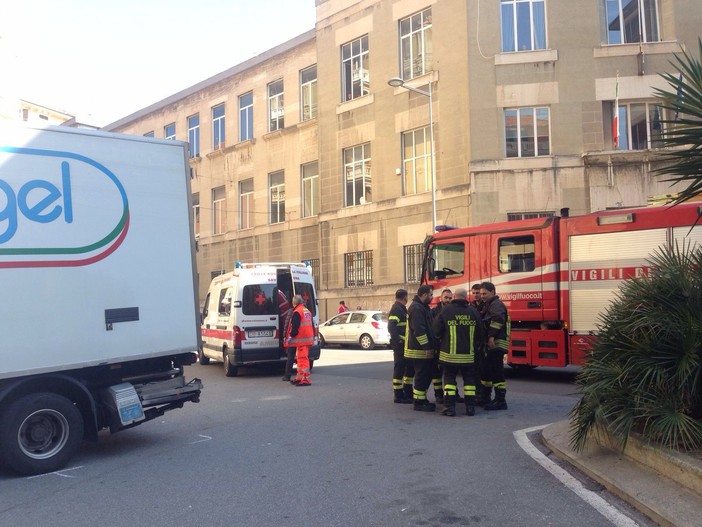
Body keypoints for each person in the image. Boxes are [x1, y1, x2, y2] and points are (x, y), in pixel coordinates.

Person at [432, 288, 484, 416]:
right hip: (468, 355)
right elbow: (481, 333)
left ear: (454, 296)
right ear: (466, 297)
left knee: (449, 380)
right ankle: (470, 408)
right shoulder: (473, 311)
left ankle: (449, 408)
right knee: (469, 382)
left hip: (449, 355)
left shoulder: (446, 311)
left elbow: (436, 331)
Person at [404, 284, 439, 412]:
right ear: (424, 295)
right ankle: (419, 402)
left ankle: (421, 398)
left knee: (426, 375)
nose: (432, 297)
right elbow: (419, 330)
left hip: (421, 349)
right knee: (422, 375)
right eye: (430, 294)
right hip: (419, 350)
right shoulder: (417, 309)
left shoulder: (422, 307)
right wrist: (427, 347)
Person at [478, 282, 510, 410]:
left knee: (497, 372)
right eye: (481, 294)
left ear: (493, 292)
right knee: (487, 370)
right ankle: (485, 397)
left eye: (484, 293)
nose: (482, 296)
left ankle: (500, 401)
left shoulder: (496, 305)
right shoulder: (488, 304)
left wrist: (491, 336)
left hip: (496, 343)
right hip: (491, 343)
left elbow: (498, 320)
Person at [388, 289, 413, 404]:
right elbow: (392, 326)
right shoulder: (397, 309)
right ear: (405, 297)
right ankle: (398, 395)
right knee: (399, 369)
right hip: (400, 345)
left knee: (406, 368)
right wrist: (398, 340)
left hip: (404, 344)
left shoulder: (400, 308)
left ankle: (406, 392)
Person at [429, 288, 453, 404]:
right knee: (436, 372)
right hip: (438, 345)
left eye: (450, 298)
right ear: (441, 298)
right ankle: (438, 395)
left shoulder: (453, 310)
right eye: (446, 297)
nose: (448, 300)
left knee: (450, 372)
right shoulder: (434, 311)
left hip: (450, 346)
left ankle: (453, 395)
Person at [285, 295, 315, 386]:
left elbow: (295, 326)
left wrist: (291, 336)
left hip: (302, 340)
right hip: (306, 339)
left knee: (303, 359)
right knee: (300, 359)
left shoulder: (297, 312)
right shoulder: (306, 310)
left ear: (294, 303)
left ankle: (305, 379)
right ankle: (299, 377)